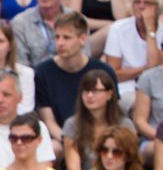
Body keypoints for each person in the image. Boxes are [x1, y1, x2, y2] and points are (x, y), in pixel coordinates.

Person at [35, 12, 118, 156]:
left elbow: (112, 113)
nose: (60, 43)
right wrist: (68, 141)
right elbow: (48, 120)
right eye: (57, 37)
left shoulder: (103, 71)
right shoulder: (43, 72)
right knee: (54, 148)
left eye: (66, 37)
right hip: (62, 137)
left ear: (83, 39)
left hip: (99, 136)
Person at [104, 0, 163, 112]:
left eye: (148, 3)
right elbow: (114, 74)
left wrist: (150, 29)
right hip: (125, 88)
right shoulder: (118, 29)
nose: (141, 6)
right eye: (137, 2)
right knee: (139, 105)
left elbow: (155, 68)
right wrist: (145, 69)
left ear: (158, 8)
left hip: (158, 88)